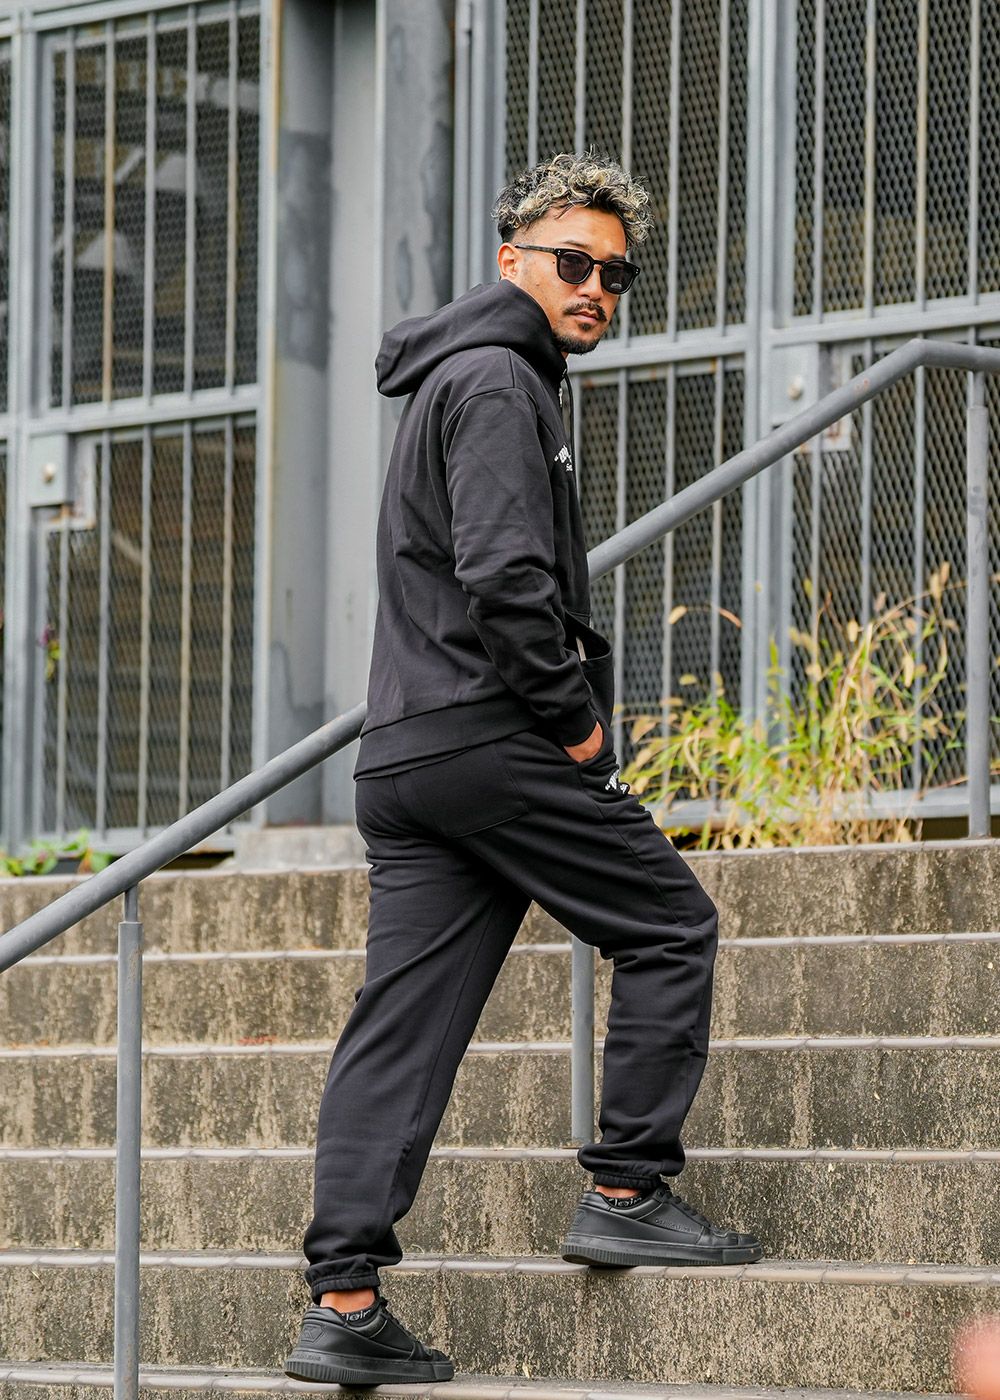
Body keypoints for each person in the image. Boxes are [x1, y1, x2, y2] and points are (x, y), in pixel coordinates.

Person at [284, 150, 762, 1388]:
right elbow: (505, 577)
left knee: (401, 1028)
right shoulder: (499, 379)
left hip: (405, 752)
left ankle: (343, 1299)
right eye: (572, 262)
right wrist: (578, 726)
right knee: (668, 923)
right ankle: (627, 1190)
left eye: (616, 273)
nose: (595, 286)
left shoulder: (457, 375)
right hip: (490, 735)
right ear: (513, 260)